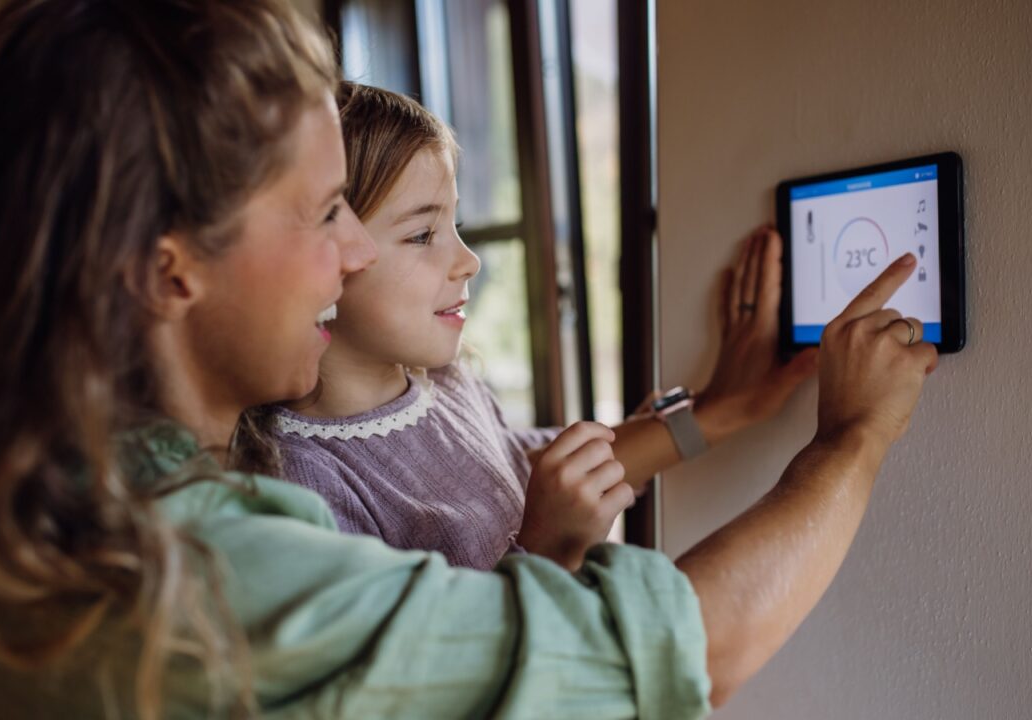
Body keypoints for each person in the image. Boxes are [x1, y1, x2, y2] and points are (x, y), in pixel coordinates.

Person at [0, 1, 938, 717]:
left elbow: (540, 457)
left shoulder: (88, 496)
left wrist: (724, 412)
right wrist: (852, 437)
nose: (351, 253)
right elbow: (665, 654)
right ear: (169, 270)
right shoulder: (218, 563)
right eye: (323, 215)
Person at [268, 82, 818, 571]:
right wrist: (546, 553)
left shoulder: (448, 385)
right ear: (325, 255)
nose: (469, 261)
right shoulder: (303, 482)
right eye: (420, 234)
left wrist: (723, 410)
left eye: (454, 225)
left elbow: (529, 473)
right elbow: (436, 677)